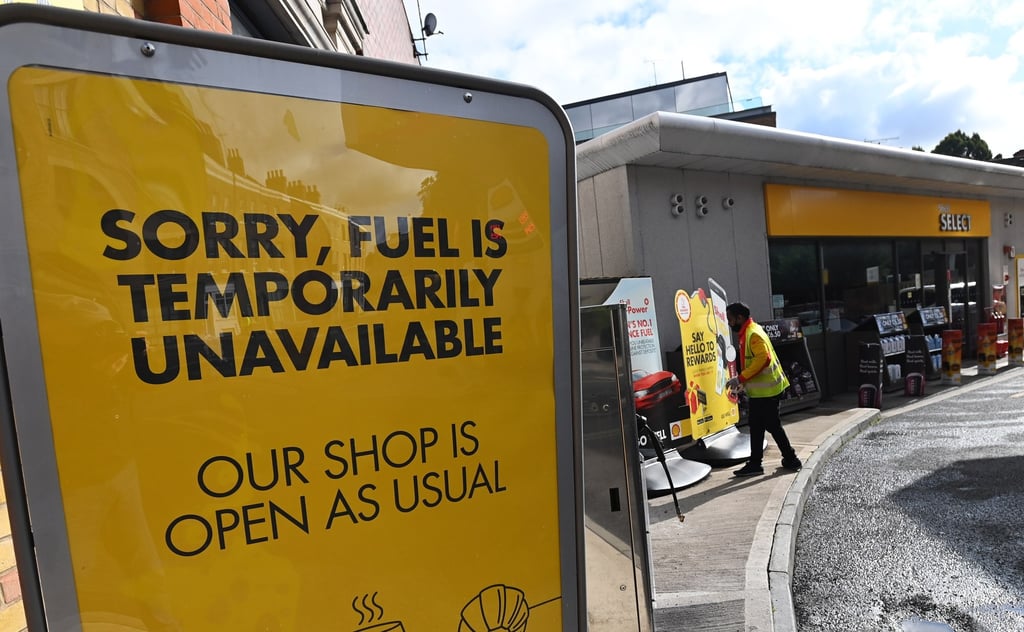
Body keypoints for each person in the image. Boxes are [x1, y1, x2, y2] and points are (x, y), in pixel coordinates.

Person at [724, 302, 802, 477]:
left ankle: (790, 458)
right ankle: (756, 463)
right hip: (762, 392)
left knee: (772, 426)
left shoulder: (753, 334)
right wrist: (743, 382)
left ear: (740, 318)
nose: (729, 323)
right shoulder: (749, 332)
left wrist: (741, 378)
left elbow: (763, 359)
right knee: (757, 426)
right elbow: (755, 361)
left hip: (768, 392)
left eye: (730, 319)